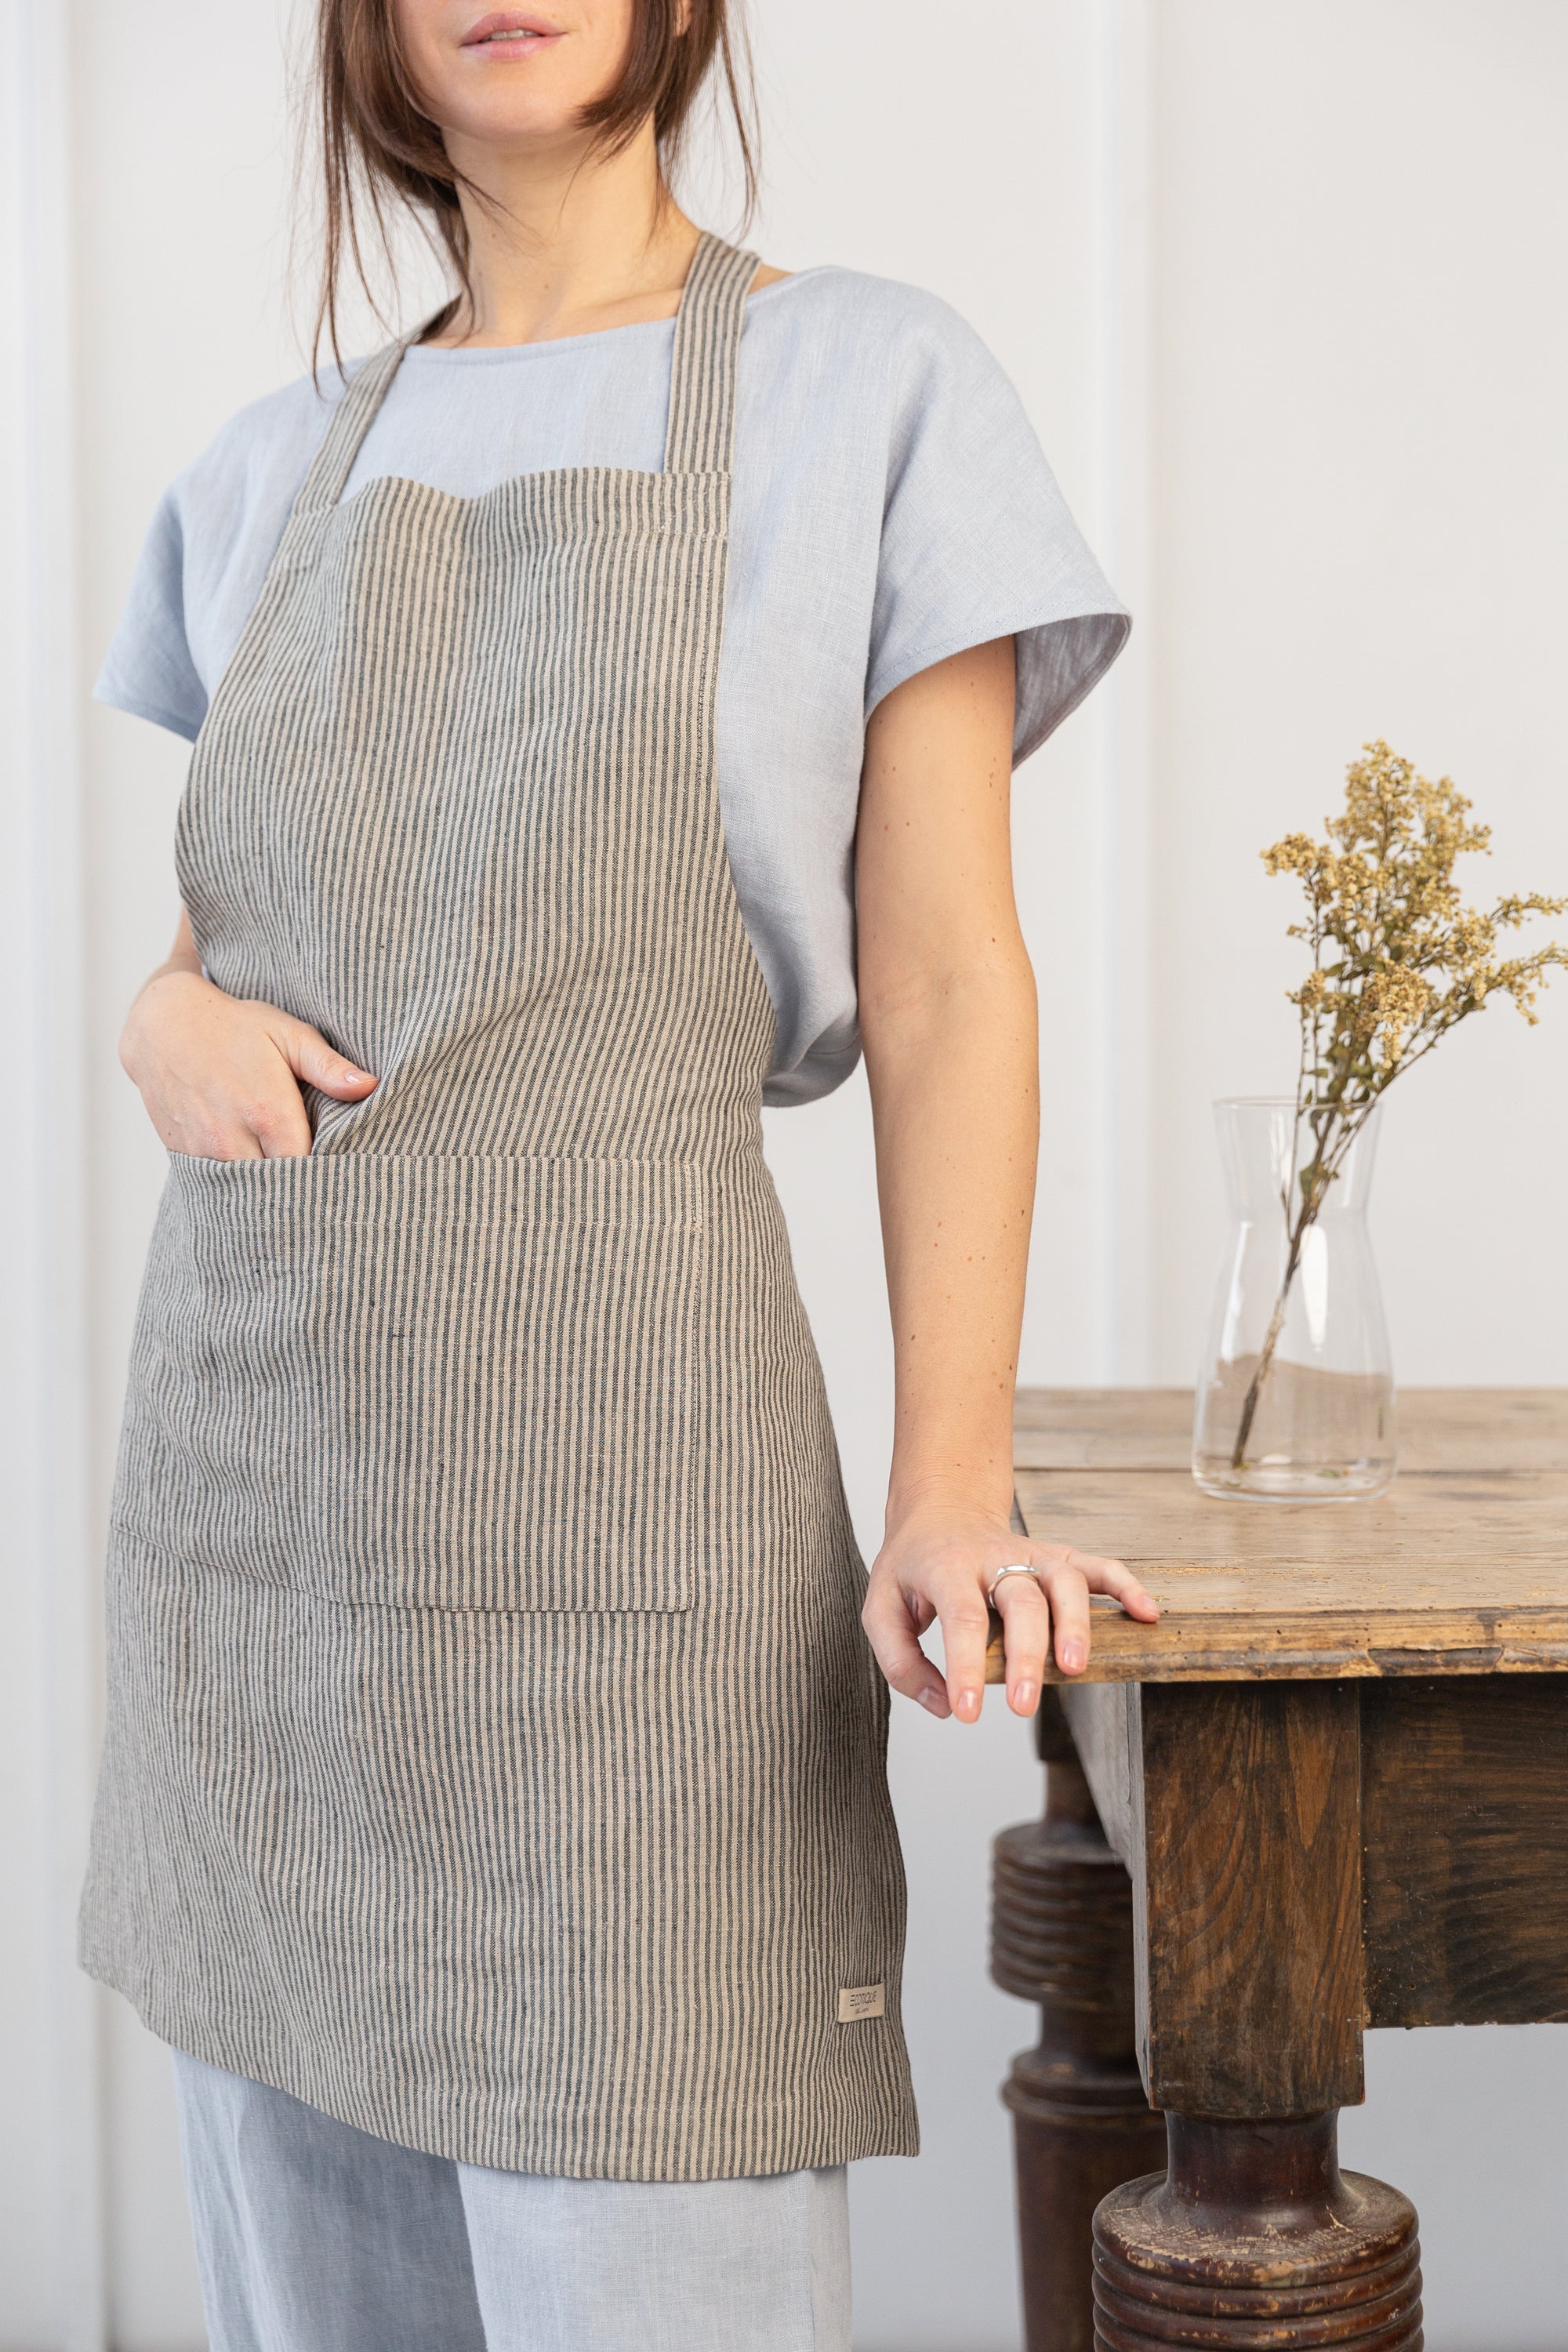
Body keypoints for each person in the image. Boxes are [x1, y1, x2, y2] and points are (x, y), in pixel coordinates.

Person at [79, 2, 1158, 2346]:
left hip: (628, 1557)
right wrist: (153, 1017)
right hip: (258, 1577)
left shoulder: (867, 384)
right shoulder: (275, 464)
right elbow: (218, 936)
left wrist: (947, 1482)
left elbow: (952, 982)